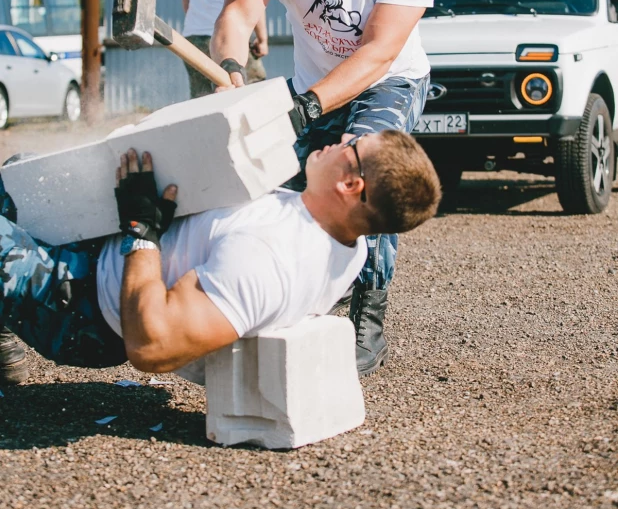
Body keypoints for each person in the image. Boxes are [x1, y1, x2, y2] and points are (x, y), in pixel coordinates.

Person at [210, 0, 439, 375]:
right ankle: (285, 295)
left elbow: (379, 51)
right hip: (314, 82)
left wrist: (306, 109)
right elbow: (240, 12)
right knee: (269, 179)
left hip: (390, 80)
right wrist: (232, 70)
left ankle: (367, 317)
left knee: (366, 176)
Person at [0, 131, 440, 386]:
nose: (343, 138)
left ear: (350, 186)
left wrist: (142, 231)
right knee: (24, 172)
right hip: (105, 256)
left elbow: (151, 346)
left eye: (355, 144)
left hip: (78, 305)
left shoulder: (269, 258)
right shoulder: (349, 242)